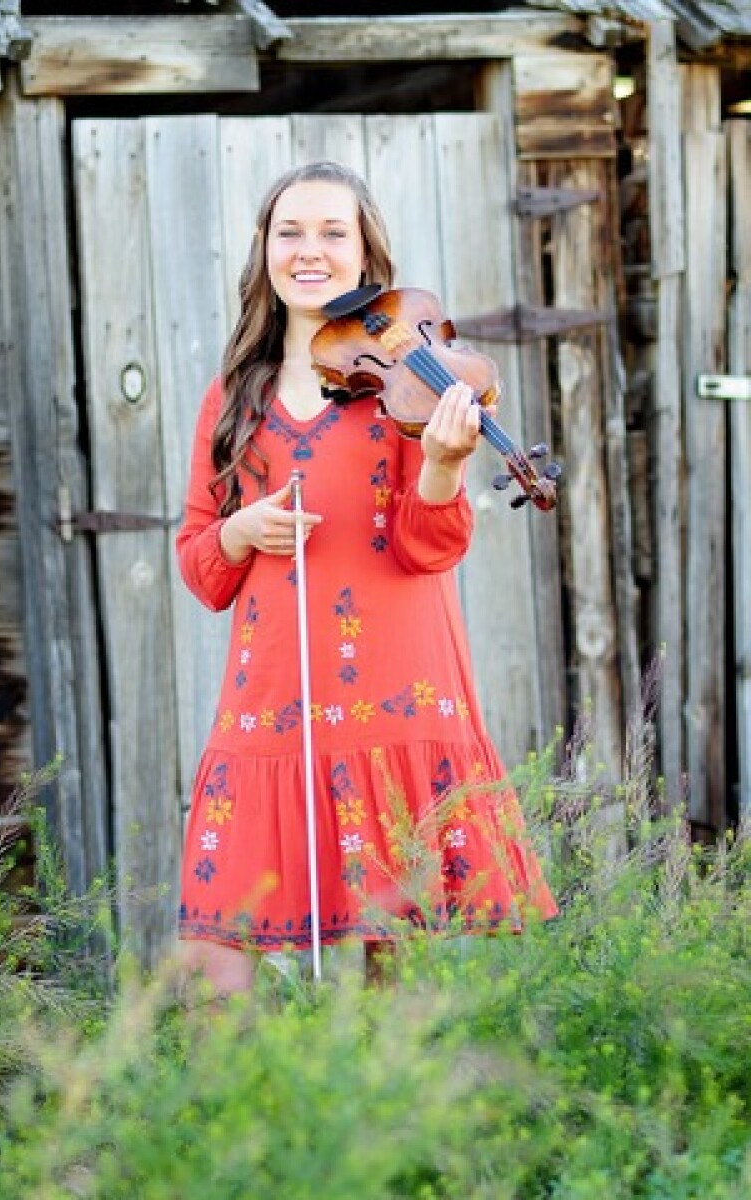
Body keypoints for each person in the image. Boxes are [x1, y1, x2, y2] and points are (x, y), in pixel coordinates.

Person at [176, 160, 557, 998]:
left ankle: (386, 1130)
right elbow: (201, 567)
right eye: (291, 232)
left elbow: (429, 547)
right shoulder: (232, 398)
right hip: (269, 702)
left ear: (364, 253)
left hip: (398, 692)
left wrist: (448, 465)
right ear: (265, 253)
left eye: (332, 232)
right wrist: (240, 530)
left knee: (397, 981)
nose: (309, 251)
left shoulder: (413, 384)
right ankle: (235, 1131)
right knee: (212, 968)